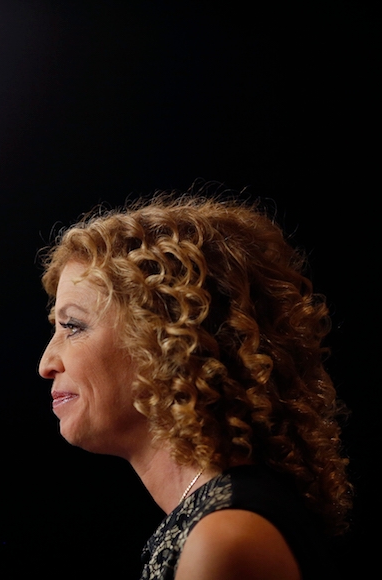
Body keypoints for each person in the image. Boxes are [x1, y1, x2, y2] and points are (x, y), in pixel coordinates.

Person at [38, 194, 351, 580]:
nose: (46, 364)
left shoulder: (226, 540)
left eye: (73, 326)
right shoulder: (217, 520)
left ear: (165, 337)